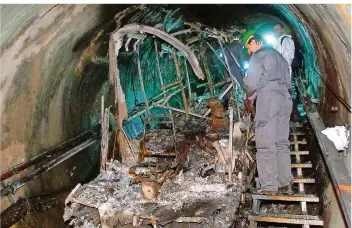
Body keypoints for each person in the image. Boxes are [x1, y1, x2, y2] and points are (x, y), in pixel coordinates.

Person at [241, 29, 293, 195]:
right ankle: (286, 182)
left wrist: (248, 94)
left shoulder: (259, 55)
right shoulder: (279, 56)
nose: (248, 51)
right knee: (281, 142)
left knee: (265, 140)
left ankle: (269, 185)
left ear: (255, 41)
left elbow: (250, 82)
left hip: (269, 97)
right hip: (285, 97)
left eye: (248, 46)